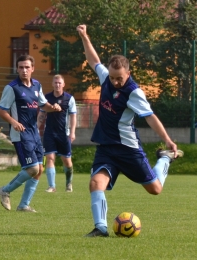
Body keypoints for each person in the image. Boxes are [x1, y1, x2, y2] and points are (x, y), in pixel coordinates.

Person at [76, 24, 184, 237]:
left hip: (128, 149)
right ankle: (101, 228)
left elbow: (150, 117)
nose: (115, 81)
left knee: (155, 189)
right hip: (106, 147)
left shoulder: (134, 93)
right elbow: (93, 60)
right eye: (113, 77)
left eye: (120, 78)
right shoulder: (106, 78)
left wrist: (168, 141)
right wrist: (84, 36)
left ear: (129, 73)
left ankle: (164, 159)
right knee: (96, 183)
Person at [0, 54, 61, 212]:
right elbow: (1, 110)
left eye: (27, 67)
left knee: (39, 170)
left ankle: (24, 205)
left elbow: (43, 105)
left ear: (32, 69)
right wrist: (14, 122)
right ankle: (5, 190)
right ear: (17, 69)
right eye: (20, 67)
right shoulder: (12, 88)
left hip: (34, 133)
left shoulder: (37, 85)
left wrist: (52, 108)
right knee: (32, 169)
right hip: (21, 134)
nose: (24, 70)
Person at [37, 74, 77, 192]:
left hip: (63, 134)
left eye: (60, 83)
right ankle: (52, 186)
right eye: (55, 82)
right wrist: (36, 129)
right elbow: (42, 114)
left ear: (63, 84)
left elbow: (73, 116)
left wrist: (72, 132)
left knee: (66, 160)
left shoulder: (69, 99)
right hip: (49, 132)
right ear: (52, 84)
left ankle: (69, 183)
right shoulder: (47, 97)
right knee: (50, 157)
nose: (57, 85)